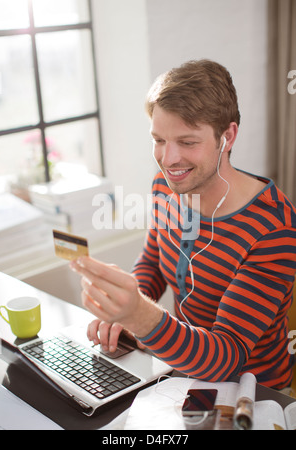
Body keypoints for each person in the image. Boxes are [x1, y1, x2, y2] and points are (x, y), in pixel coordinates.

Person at [70, 59, 296, 390]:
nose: (169, 159)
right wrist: (123, 309)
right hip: (184, 376)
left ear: (227, 137)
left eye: (187, 142)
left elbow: (226, 355)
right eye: (159, 140)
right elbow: (154, 261)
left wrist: (140, 316)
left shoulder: (274, 227)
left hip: (254, 397)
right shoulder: (167, 187)